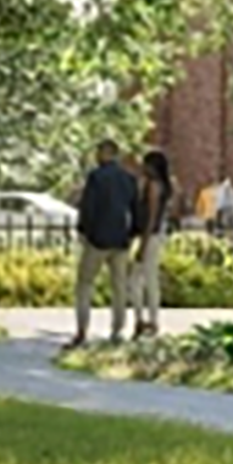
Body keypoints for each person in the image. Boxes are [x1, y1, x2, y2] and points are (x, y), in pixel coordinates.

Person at [71, 139, 140, 346]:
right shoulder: (129, 179)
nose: (96, 156)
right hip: (120, 239)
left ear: (105, 153)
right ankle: (117, 330)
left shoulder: (96, 177)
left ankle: (82, 330)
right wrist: (132, 233)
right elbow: (136, 209)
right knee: (119, 287)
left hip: (97, 239)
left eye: (99, 152)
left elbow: (88, 207)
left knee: (85, 284)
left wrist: (84, 231)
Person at [131, 149, 173, 337]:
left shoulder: (154, 186)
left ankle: (146, 320)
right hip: (154, 234)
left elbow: (152, 216)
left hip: (151, 235)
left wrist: (143, 243)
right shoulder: (160, 185)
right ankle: (147, 319)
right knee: (146, 279)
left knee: (141, 279)